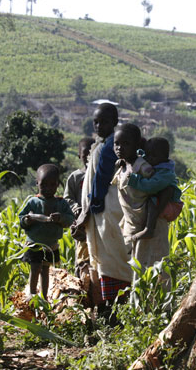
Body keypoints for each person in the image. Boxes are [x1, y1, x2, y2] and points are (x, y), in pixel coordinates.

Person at [79, 103, 131, 307]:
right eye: (96, 122)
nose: (99, 126)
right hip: (101, 212)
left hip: (106, 210)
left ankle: (115, 305)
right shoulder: (104, 144)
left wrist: (90, 208)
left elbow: (100, 179)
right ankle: (109, 304)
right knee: (107, 257)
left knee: (112, 256)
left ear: (115, 122)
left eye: (105, 122)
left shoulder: (111, 145)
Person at [111, 124, 170, 288]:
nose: (120, 148)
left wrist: (152, 220)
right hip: (135, 228)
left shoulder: (142, 167)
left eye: (126, 144)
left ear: (137, 145)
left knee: (156, 274)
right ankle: (141, 311)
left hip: (151, 230)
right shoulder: (122, 165)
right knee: (139, 274)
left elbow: (163, 188)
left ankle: (160, 311)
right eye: (117, 143)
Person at [19, 164, 74, 301]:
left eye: (52, 185)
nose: (48, 188)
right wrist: (27, 220)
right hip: (34, 243)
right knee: (35, 268)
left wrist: (60, 218)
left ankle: (44, 297)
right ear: (37, 183)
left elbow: (70, 219)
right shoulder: (33, 202)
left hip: (51, 244)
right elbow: (21, 219)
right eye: (44, 185)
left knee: (45, 270)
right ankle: (32, 294)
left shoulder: (61, 204)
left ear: (57, 185)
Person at [128, 137, 183, 241]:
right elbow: (144, 155)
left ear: (164, 157)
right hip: (161, 200)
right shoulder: (155, 162)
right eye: (147, 154)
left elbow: (151, 187)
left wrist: (135, 180)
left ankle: (149, 229)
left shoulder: (166, 173)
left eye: (153, 155)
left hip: (171, 206)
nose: (149, 158)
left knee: (152, 203)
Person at [63, 137, 95, 277]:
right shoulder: (75, 177)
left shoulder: (101, 176)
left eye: (91, 155)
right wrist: (76, 208)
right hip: (80, 224)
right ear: (79, 156)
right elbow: (67, 198)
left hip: (97, 224)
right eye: (84, 155)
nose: (88, 158)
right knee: (82, 258)